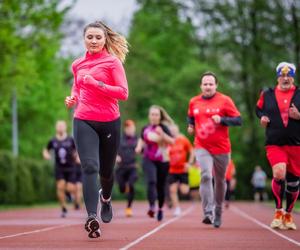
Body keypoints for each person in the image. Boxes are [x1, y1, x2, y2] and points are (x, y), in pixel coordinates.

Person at [65, 21, 129, 238]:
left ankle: (106, 199)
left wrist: (97, 84)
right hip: (83, 119)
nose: (93, 41)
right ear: (84, 39)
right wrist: (73, 97)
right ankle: (92, 217)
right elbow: (77, 85)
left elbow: (123, 93)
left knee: (106, 172)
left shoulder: (113, 63)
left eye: (98, 37)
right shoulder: (77, 64)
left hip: (110, 121)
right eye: (90, 37)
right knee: (90, 167)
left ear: (104, 40)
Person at [187, 71, 242, 228]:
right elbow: (191, 116)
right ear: (201, 86)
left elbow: (238, 120)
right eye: (205, 84)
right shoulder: (194, 101)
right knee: (205, 175)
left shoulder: (225, 101)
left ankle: (218, 210)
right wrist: (191, 126)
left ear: (216, 85)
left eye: (211, 84)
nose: (208, 86)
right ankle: (208, 212)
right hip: (201, 145)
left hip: (222, 148)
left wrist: (223, 120)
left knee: (220, 180)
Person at [256, 62, 300, 230]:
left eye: (289, 75)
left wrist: (299, 115)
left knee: (293, 183)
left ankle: (288, 215)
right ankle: (278, 211)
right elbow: (258, 109)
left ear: (293, 77)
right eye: (282, 75)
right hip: (275, 142)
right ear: (277, 77)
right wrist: (262, 117)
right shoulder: (267, 94)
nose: (285, 78)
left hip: (296, 144)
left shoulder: (299, 94)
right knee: (279, 172)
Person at [135, 105, 175, 221]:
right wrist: (138, 147)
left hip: (163, 160)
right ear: (149, 116)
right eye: (152, 114)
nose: (154, 116)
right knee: (151, 181)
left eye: (156, 114)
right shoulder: (145, 128)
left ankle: (160, 208)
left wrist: (162, 134)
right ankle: (152, 206)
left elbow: (172, 141)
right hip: (148, 158)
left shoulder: (164, 127)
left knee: (160, 186)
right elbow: (142, 139)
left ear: (160, 116)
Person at [43, 120, 77, 218]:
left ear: (65, 127)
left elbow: (77, 150)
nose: (60, 127)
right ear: (56, 128)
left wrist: (78, 157)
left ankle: (68, 194)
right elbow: (46, 149)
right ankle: (63, 208)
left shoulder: (71, 139)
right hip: (59, 168)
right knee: (60, 187)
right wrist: (46, 155)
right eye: (59, 126)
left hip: (71, 167)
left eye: (62, 126)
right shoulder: (53, 140)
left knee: (70, 188)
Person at [168, 124, 194, 216]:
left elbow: (191, 151)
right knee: (172, 190)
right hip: (172, 170)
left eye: (174, 130)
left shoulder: (183, 139)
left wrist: (189, 163)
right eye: (171, 130)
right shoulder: (168, 141)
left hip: (183, 169)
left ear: (177, 130)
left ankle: (178, 187)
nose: (173, 132)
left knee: (184, 191)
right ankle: (177, 208)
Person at [115, 119, 138, 217]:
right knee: (122, 188)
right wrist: (116, 156)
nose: (129, 129)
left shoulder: (138, 140)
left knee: (131, 185)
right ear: (125, 129)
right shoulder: (119, 139)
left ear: (134, 128)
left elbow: (143, 150)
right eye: (128, 127)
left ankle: (129, 207)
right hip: (121, 168)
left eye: (131, 127)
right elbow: (112, 148)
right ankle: (124, 188)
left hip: (132, 167)